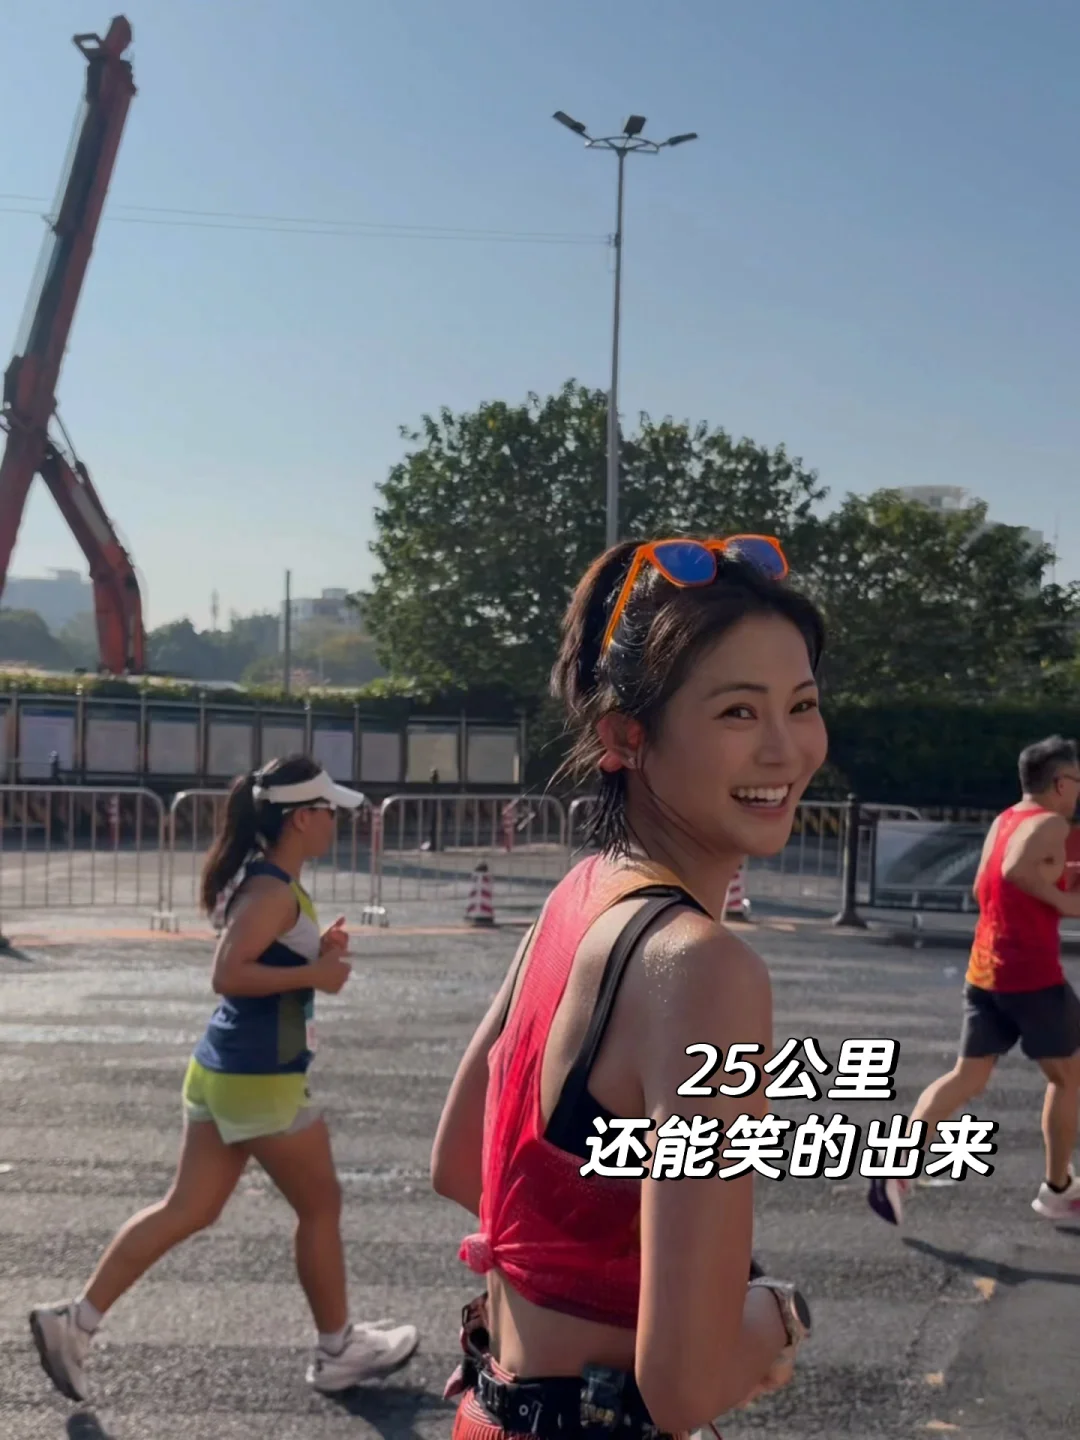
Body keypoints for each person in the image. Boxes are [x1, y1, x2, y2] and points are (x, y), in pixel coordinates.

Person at [431, 536, 827, 1440]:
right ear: (624, 736)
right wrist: (778, 1314)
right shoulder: (705, 969)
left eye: (802, 706)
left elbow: (461, 1162)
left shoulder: (582, 893)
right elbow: (685, 1386)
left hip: (490, 1409)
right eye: (737, 711)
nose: (785, 749)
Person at [29, 755, 419, 1403]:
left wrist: (316, 953)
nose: (337, 822)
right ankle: (337, 1350)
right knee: (320, 1206)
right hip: (259, 1077)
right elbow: (228, 973)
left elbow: (258, 960)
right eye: (329, 811)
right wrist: (316, 974)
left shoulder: (272, 884)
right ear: (301, 819)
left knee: (188, 1209)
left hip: (226, 1070)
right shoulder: (271, 892)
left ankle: (75, 1322)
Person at [868, 735, 1080, 1228]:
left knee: (968, 1077)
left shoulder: (1006, 820)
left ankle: (895, 1168)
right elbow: (1015, 871)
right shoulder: (1051, 822)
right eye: (1077, 783)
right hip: (1030, 975)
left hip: (986, 970)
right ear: (1060, 783)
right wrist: (1067, 903)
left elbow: (984, 884)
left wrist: (1054, 885)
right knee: (1069, 1078)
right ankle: (1057, 1189)